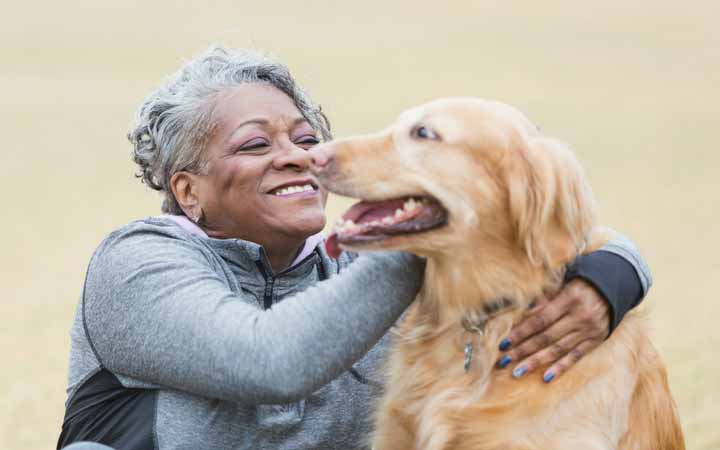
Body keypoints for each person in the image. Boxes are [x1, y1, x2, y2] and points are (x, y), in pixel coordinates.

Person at [57, 46, 652, 450]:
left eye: (307, 137)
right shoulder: (138, 263)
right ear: (188, 191)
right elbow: (271, 361)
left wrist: (613, 273)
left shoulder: (362, 259)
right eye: (255, 144)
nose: (301, 156)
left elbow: (532, 223)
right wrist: (425, 232)